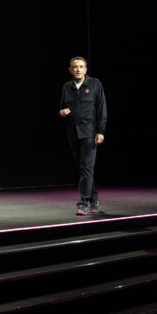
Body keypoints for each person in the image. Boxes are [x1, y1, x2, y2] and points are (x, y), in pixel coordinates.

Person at [59, 56, 107, 215]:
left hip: (89, 134)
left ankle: (83, 202)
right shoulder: (67, 86)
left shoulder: (95, 84)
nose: (78, 69)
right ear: (70, 70)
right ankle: (94, 199)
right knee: (82, 170)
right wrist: (62, 112)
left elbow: (101, 109)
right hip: (73, 134)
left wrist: (101, 131)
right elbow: (62, 107)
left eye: (81, 66)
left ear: (86, 69)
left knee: (87, 167)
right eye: (75, 67)